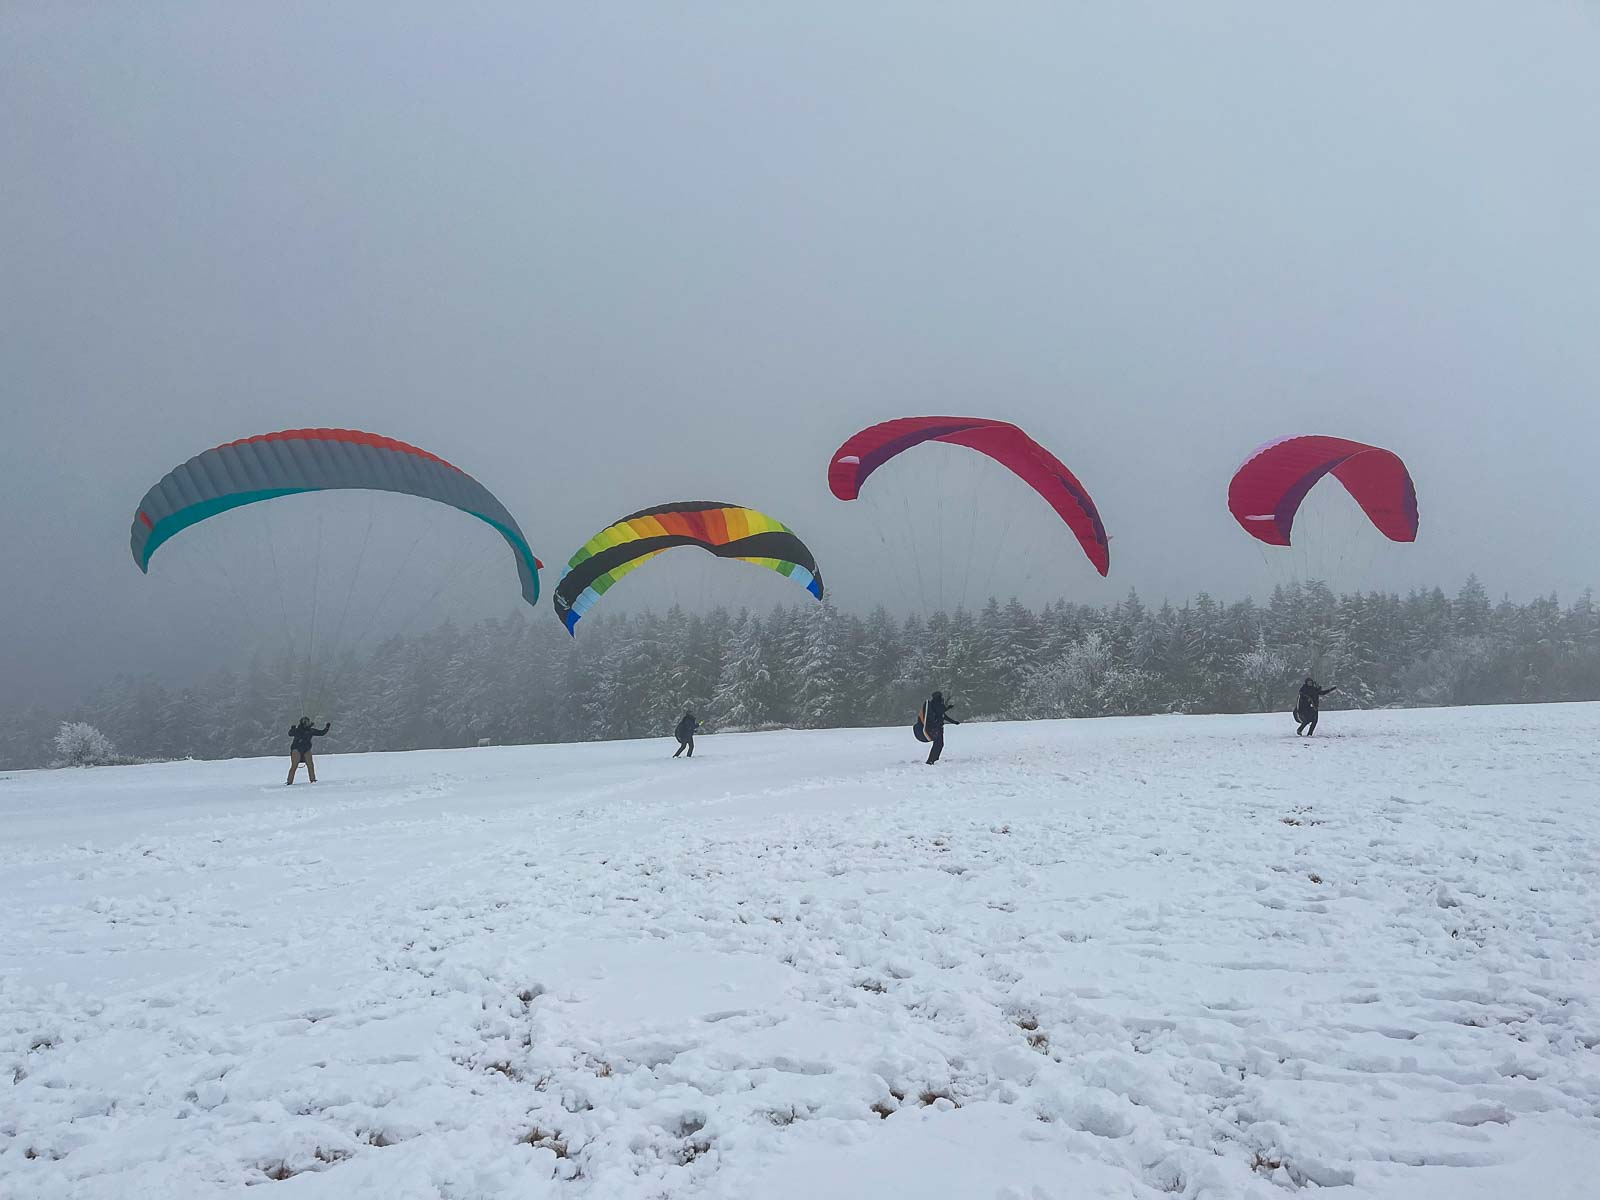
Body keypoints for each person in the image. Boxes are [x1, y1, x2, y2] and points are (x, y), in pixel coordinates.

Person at [287, 716, 331, 783]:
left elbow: (321, 733)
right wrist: (292, 729)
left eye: (307, 721)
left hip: (306, 749)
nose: (307, 723)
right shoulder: (298, 730)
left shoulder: (310, 730)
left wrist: (327, 728)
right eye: (305, 721)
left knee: (310, 765)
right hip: (296, 749)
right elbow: (290, 734)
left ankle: (313, 780)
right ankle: (289, 781)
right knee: (294, 766)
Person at [924, 691, 960, 764]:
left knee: (939, 744)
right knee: (938, 744)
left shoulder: (933, 704)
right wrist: (947, 708)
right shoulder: (936, 704)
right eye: (940, 696)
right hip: (936, 728)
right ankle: (931, 760)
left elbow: (942, 715)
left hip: (937, 727)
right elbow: (941, 712)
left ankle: (933, 759)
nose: (941, 697)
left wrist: (953, 721)